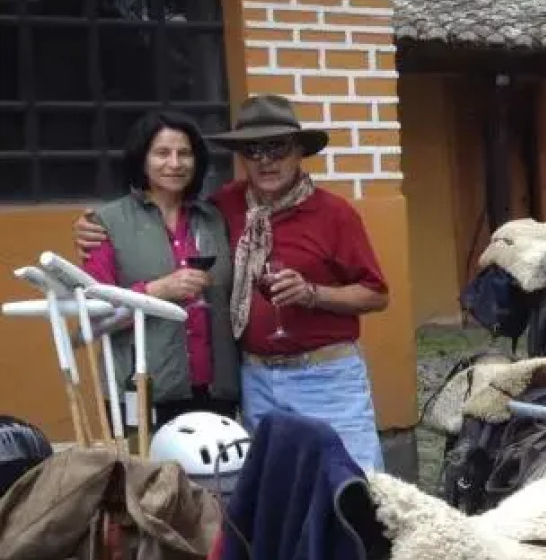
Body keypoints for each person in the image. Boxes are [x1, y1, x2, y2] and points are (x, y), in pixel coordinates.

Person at [75, 95, 391, 470]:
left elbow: (376, 294)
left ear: (298, 152)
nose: (266, 160)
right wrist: (97, 234)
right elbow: (95, 311)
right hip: (251, 380)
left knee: (351, 479)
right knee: (271, 488)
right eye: (252, 150)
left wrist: (312, 293)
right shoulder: (225, 206)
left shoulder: (333, 213)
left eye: (277, 147)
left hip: (324, 377)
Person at [82, 111, 241, 433]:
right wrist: (155, 292)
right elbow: (96, 315)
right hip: (142, 387)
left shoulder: (214, 218)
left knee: (210, 468)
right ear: (142, 159)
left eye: (184, 153)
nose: (175, 163)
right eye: (162, 153)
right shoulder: (106, 223)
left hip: (214, 388)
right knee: (146, 468)